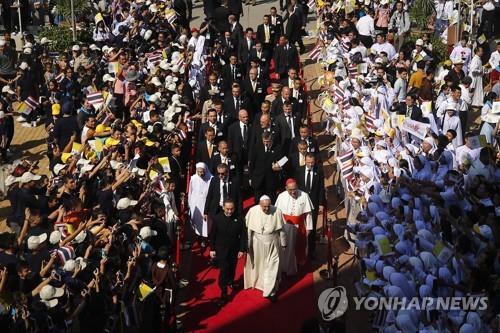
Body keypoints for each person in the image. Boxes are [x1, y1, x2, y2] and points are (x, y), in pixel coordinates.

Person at [244, 195, 286, 302]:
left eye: (268, 206)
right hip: (257, 243)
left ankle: (270, 291)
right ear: (259, 204)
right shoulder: (252, 211)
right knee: (260, 266)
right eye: (264, 207)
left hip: (273, 243)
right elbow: (249, 230)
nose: (267, 209)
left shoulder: (277, 211)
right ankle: (260, 284)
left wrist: (283, 243)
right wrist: (247, 246)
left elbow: (281, 230)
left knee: (272, 266)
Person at [209, 199, 247, 306]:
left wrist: (241, 249)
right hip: (221, 250)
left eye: (232, 209)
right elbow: (212, 235)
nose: (230, 211)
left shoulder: (239, 219)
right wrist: (212, 249)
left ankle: (231, 281)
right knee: (224, 270)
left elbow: (243, 235)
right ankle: (223, 292)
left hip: (234, 249)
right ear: (223, 208)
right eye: (227, 209)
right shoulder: (217, 219)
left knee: (232, 267)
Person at [274, 179, 313, 275]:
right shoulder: (281, 196)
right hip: (285, 226)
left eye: (294, 189)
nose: (293, 192)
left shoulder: (304, 195)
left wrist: (309, 227)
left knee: (299, 245)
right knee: (286, 247)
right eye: (290, 190)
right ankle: (285, 266)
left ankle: (298, 264)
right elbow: (277, 213)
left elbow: (308, 213)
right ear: (286, 188)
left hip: (300, 225)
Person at [188, 162, 213, 248]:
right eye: (198, 172)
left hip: (205, 204)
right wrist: (189, 203)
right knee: (197, 221)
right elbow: (190, 192)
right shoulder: (193, 178)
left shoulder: (210, 178)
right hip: (195, 203)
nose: (200, 174)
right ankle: (198, 237)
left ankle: (204, 239)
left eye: (202, 172)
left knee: (205, 222)